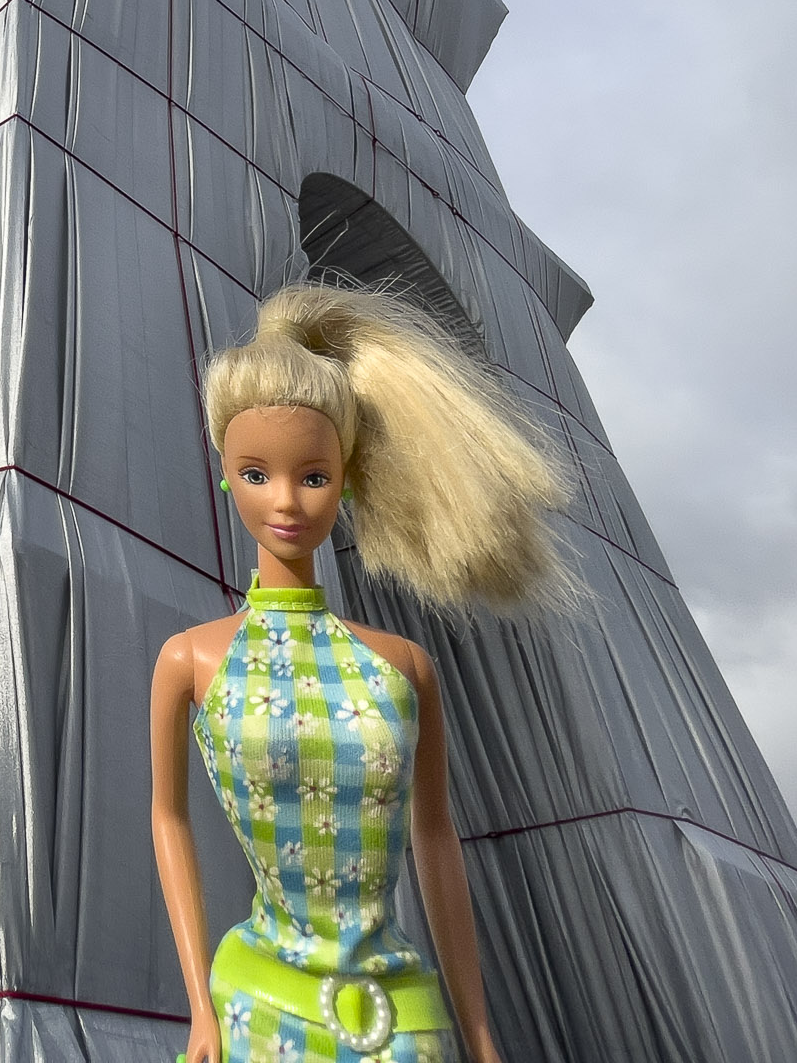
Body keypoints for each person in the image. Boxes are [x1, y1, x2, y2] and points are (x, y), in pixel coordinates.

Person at [150, 285, 572, 1063]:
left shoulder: (401, 666)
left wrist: (479, 1034)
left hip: (401, 1021)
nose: (286, 501)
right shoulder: (193, 659)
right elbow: (167, 819)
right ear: (226, 476)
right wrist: (200, 1013)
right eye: (256, 473)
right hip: (258, 1011)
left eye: (312, 477)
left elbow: (436, 838)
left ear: (345, 479)